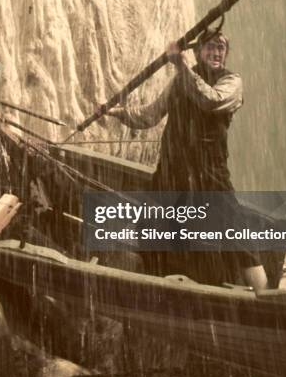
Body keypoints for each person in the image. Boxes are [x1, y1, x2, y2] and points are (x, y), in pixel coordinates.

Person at [105, 29, 268, 289]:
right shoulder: (180, 81)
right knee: (150, 229)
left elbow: (209, 100)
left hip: (210, 172)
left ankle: (265, 301)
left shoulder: (231, 82)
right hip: (172, 170)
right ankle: (154, 288)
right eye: (210, 47)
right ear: (197, 52)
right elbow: (150, 115)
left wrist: (180, 65)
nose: (216, 53)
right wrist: (119, 113)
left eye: (221, 48)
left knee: (237, 236)